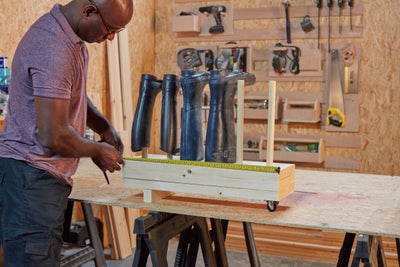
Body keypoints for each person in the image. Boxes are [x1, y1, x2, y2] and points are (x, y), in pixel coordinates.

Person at [0, 0, 134, 266]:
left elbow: (71, 95)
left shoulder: (72, 40)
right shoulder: (53, 47)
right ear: (88, 11)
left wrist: (103, 126)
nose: (109, 38)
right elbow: (55, 136)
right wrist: (96, 149)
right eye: (110, 30)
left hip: (37, 176)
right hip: (32, 178)